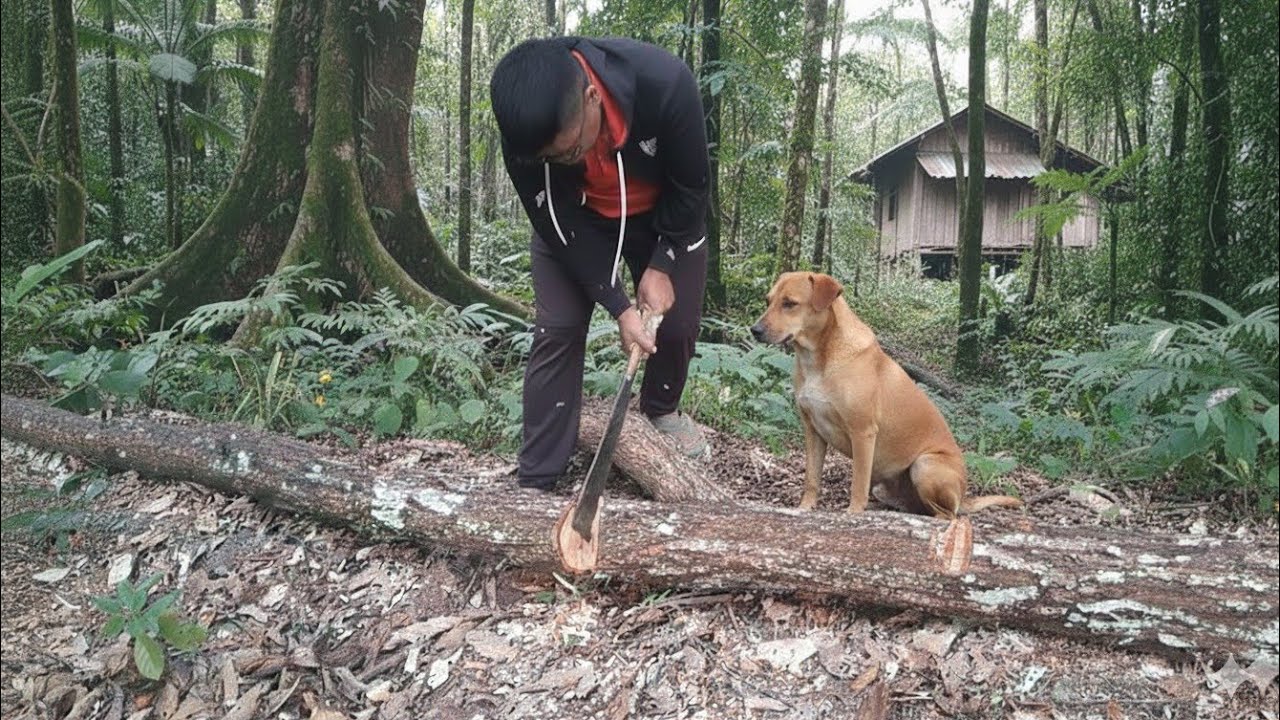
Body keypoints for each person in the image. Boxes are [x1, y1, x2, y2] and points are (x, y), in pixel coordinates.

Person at [489, 36, 711, 490]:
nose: (564, 161)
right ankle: (538, 476)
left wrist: (663, 261)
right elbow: (551, 216)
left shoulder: (665, 84)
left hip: (663, 216)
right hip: (577, 221)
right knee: (560, 326)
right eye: (550, 158)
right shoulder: (524, 137)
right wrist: (618, 305)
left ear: (592, 96)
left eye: (568, 151)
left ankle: (662, 410)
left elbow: (692, 186)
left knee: (678, 321)